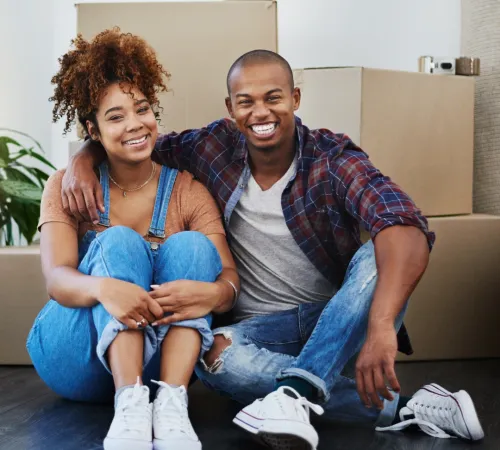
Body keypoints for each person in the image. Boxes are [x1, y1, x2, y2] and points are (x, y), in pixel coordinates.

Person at [63, 49, 484, 449]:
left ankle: (295, 392)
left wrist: (380, 326)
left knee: (380, 251)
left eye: (274, 98)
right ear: (230, 108)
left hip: (338, 319)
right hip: (256, 333)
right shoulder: (211, 148)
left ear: (295, 98)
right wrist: (83, 156)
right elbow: (135, 140)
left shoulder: (332, 158)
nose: (260, 112)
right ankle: (401, 407)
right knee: (212, 359)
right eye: (245, 102)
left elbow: (405, 225)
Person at [26, 29, 239, 450]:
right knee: (119, 241)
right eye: (115, 116)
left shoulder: (187, 191)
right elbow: (56, 280)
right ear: (93, 129)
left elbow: (229, 276)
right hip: (75, 355)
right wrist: (105, 288)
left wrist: (214, 293)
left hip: (160, 358)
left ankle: (171, 403)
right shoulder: (68, 186)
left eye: (141, 109)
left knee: (193, 248)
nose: (135, 125)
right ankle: (129, 402)